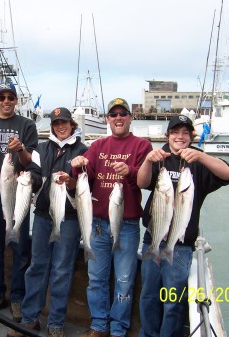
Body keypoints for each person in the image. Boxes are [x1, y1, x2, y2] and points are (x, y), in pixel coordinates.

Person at [137, 114, 229, 337]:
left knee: (173, 301)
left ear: (191, 136)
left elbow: (228, 174)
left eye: (185, 133)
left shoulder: (198, 163)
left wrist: (201, 156)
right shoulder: (159, 157)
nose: (180, 137)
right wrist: (147, 161)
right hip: (152, 239)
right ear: (167, 135)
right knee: (148, 296)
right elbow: (141, 183)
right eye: (175, 132)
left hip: (180, 246)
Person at [71, 98, 153, 337]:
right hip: (96, 225)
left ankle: (118, 329)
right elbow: (87, 174)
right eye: (113, 114)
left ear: (130, 118)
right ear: (108, 119)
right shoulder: (98, 146)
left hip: (126, 225)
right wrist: (78, 164)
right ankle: (99, 325)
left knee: (124, 280)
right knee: (96, 279)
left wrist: (130, 172)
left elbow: (144, 182)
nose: (118, 118)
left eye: (123, 114)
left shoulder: (142, 146)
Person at [7, 107, 88, 337]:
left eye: (64, 122)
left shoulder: (83, 151)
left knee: (62, 270)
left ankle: (56, 323)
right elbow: (33, 172)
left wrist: (70, 181)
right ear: (52, 126)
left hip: (69, 219)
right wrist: (27, 180)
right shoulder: (41, 148)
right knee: (37, 267)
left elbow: (83, 185)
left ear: (72, 124)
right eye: (56, 123)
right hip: (42, 216)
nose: (61, 127)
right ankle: (30, 319)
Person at [0, 83, 38, 321]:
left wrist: (20, 148)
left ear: (16, 100)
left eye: (10, 97)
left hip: (17, 194)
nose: (6, 101)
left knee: (20, 250)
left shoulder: (27, 125)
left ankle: (18, 299)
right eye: (1, 97)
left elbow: (31, 161)